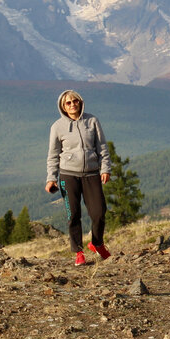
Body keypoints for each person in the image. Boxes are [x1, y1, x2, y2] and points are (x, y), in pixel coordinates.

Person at [45, 89, 112, 266]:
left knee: (99, 212)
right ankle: (78, 252)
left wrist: (105, 168)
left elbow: (102, 147)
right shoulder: (57, 127)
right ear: (63, 106)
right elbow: (53, 155)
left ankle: (97, 243)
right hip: (68, 175)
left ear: (80, 102)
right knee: (73, 214)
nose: (73, 104)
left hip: (91, 173)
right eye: (68, 102)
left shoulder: (92, 121)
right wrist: (51, 178)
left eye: (76, 101)